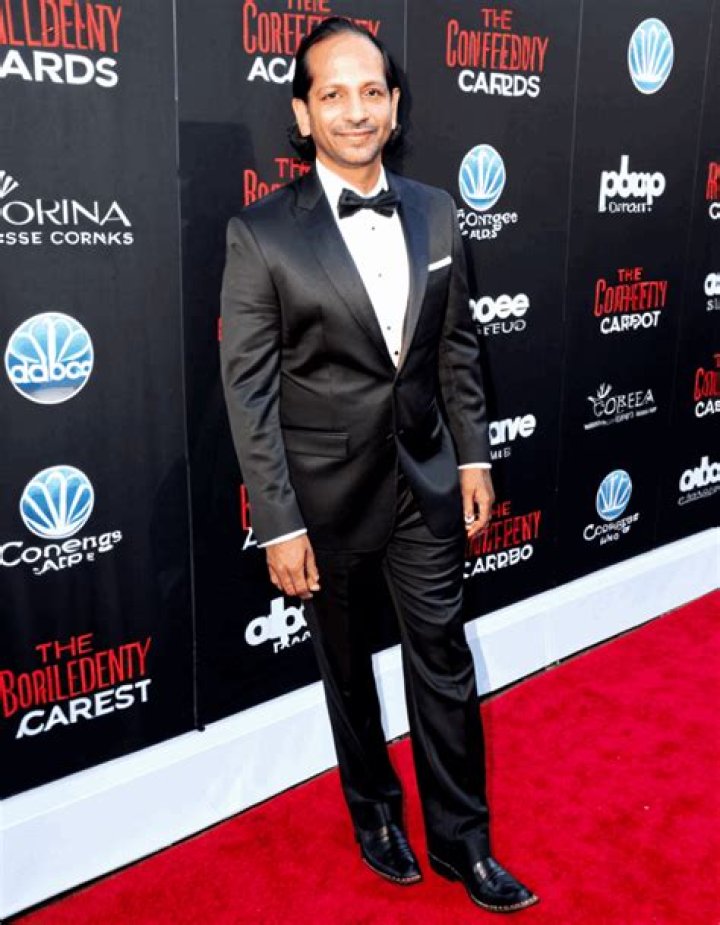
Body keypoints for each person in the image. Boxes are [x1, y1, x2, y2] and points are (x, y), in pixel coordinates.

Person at [220, 17, 538, 914]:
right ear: (303, 112)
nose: (355, 111)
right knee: (349, 668)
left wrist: (473, 454)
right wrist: (278, 522)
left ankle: (464, 843)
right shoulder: (260, 234)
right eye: (333, 94)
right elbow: (248, 392)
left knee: (442, 655)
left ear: (395, 106)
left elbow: (455, 346)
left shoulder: (436, 209)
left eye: (371, 92)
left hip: (424, 479)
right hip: (322, 499)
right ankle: (375, 815)